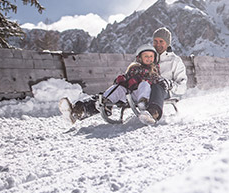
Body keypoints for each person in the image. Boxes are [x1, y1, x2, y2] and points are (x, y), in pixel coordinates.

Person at [59, 27, 187, 124]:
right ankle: (80, 110)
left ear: (168, 43)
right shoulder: (148, 55)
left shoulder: (175, 61)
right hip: (141, 89)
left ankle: (152, 113)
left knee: (157, 85)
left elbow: (182, 87)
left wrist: (170, 84)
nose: (158, 44)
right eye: (155, 41)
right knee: (118, 89)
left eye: (161, 41)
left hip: (161, 91)